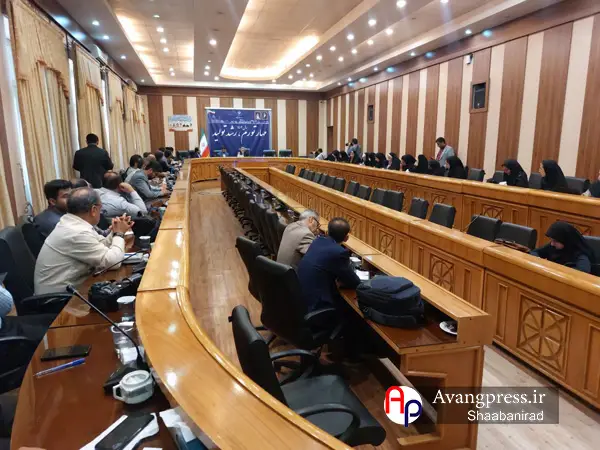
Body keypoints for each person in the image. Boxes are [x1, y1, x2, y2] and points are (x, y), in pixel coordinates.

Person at [34, 187, 130, 294]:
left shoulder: (73, 223)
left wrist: (115, 230)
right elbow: (113, 262)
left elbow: (102, 245)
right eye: (100, 208)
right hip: (60, 299)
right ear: (94, 210)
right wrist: (119, 233)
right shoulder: (75, 232)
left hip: (75, 288)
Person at [297, 217, 360, 312]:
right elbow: (354, 282)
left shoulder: (317, 241)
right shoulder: (339, 252)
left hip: (301, 298)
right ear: (346, 238)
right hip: (317, 306)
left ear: (327, 232)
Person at [530, 222, 594, 273]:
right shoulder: (553, 246)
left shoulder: (580, 254)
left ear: (565, 240)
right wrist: (538, 259)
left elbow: (583, 271)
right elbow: (535, 252)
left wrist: (559, 269)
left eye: (555, 241)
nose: (552, 244)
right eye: (551, 240)